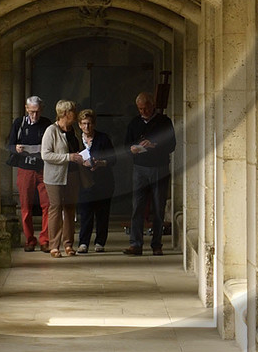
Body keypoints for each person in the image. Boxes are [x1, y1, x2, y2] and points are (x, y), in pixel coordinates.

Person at [125, 90, 176, 256]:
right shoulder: (134, 123)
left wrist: (154, 144)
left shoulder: (164, 122)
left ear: (152, 105)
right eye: (140, 109)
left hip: (159, 167)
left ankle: (157, 244)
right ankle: (136, 244)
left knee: (158, 206)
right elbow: (126, 145)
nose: (143, 112)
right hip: (139, 168)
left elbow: (172, 145)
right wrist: (132, 149)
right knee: (137, 207)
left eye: (145, 108)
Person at [7, 94, 48, 250]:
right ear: (26, 109)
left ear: (42, 110)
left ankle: (45, 240)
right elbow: (9, 144)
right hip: (25, 168)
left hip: (43, 167)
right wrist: (16, 148)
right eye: (31, 111)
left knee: (47, 205)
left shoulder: (46, 124)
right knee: (25, 206)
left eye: (37, 111)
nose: (34, 115)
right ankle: (29, 240)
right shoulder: (19, 123)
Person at [41, 99, 81, 256]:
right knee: (56, 208)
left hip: (72, 175)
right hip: (55, 176)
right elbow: (46, 155)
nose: (76, 114)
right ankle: (54, 246)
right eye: (73, 111)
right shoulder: (51, 131)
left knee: (70, 209)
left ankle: (68, 244)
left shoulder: (73, 131)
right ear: (65, 113)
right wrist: (68, 157)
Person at [72, 107, 116, 252]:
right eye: (84, 123)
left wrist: (100, 163)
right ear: (79, 124)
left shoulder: (103, 138)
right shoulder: (76, 140)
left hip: (103, 180)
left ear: (94, 124)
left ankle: (100, 242)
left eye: (89, 123)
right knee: (85, 213)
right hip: (84, 181)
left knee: (102, 213)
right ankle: (83, 242)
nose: (87, 127)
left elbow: (113, 159)